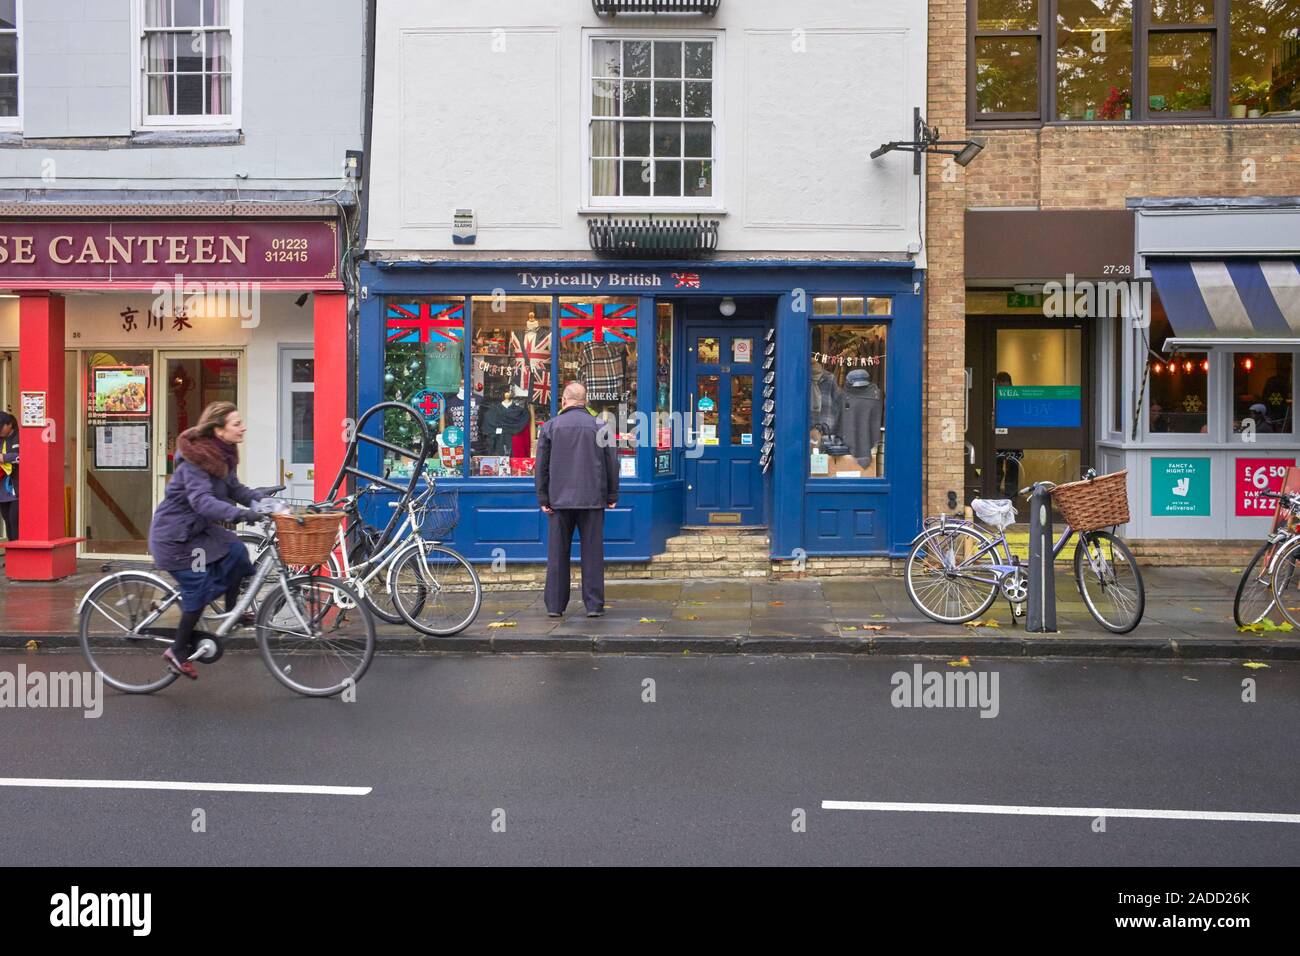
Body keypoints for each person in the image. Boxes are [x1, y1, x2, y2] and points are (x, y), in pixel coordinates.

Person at [147, 402, 265, 679]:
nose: (243, 427)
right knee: (198, 587)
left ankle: (232, 610)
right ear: (218, 430)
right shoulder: (196, 460)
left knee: (237, 551)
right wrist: (240, 514)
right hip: (175, 537)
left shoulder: (223, 455)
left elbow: (237, 489)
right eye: (237, 423)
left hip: (197, 531)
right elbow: (202, 502)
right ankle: (177, 651)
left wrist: (268, 505)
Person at [535, 381, 618, 618]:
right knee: (592, 553)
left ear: (564, 401)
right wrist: (612, 494)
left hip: (558, 500)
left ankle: (555, 605)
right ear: (585, 401)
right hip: (592, 498)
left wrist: (543, 496)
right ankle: (593, 605)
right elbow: (612, 463)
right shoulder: (601, 426)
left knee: (558, 554)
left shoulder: (550, 427)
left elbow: (541, 466)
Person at [0, 411, 17, 541]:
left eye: (1, 427)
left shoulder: (19, 437)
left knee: (14, 520)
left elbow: (24, 456)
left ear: (9, 425)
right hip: (3, 488)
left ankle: (19, 556)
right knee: (7, 520)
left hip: (16, 488)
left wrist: (4, 457)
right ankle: (12, 557)